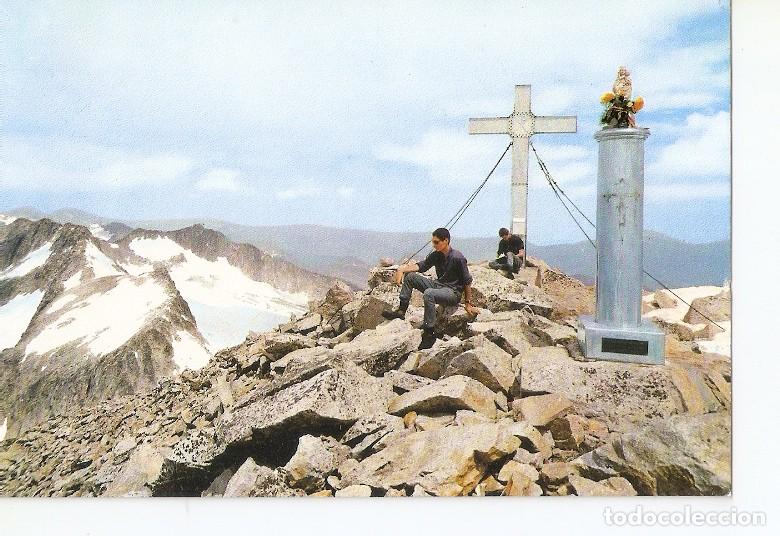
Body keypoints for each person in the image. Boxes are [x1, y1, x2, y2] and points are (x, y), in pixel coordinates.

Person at [381, 228, 477, 350]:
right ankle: (401, 311)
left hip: (453, 292)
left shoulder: (458, 258)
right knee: (410, 277)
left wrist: (468, 303)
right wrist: (402, 269)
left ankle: (429, 332)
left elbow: (467, 281)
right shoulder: (437, 255)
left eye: (436, 242)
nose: (434, 245)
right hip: (439, 285)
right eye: (433, 242)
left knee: (429, 293)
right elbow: (423, 265)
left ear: (446, 241)